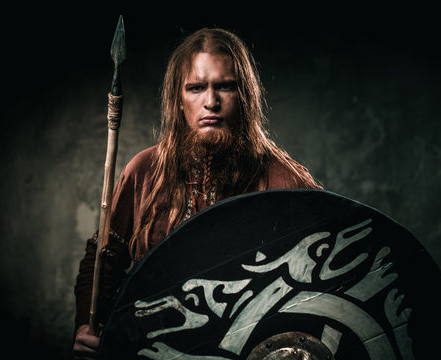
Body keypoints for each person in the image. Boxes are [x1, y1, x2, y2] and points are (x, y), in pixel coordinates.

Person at [72, 27, 323, 359]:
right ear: (179, 99)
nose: (211, 102)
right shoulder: (144, 172)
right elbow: (104, 259)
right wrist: (86, 328)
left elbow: (322, 276)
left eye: (225, 87)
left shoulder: (283, 180)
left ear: (244, 95)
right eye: (196, 88)